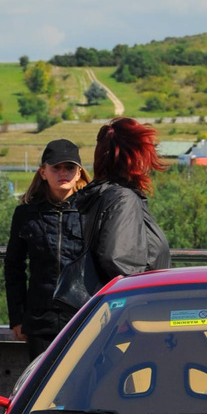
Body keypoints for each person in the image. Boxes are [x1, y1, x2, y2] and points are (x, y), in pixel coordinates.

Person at [4, 138, 90, 359]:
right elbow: (14, 267)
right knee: (44, 389)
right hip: (40, 321)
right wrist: (17, 317)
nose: (63, 173)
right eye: (56, 168)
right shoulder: (26, 214)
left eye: (69, 167)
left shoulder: (91, 211)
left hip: (85, 317)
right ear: (43, 172)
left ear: (79, 173)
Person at [76, 118, 171, 289]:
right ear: (135, 157)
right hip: (137, 308)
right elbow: (119, 261)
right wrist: (144, 293)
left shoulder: (104, 195)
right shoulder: (123, 199)